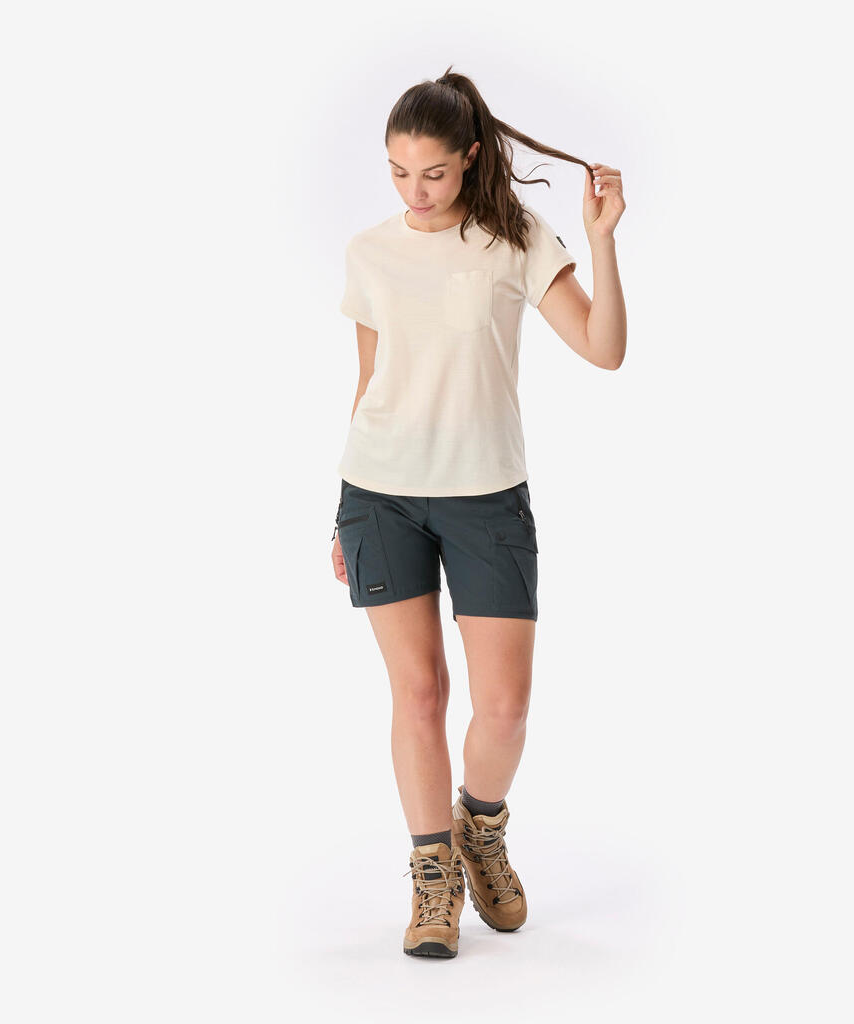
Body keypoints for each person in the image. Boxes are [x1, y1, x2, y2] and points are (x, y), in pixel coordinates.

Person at [330, 66, 627, 958]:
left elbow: (604, 348)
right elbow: (369, 384)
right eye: (397, 172)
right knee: (419, 693)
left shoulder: (514, 238)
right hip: (380, 493)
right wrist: (338, 512)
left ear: (469, 156)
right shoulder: (369, 252)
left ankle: (480, 828)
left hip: (487, 495)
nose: (414, 191)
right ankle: (433, 875)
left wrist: (600, 241)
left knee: (504, 709)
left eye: (432, 172)